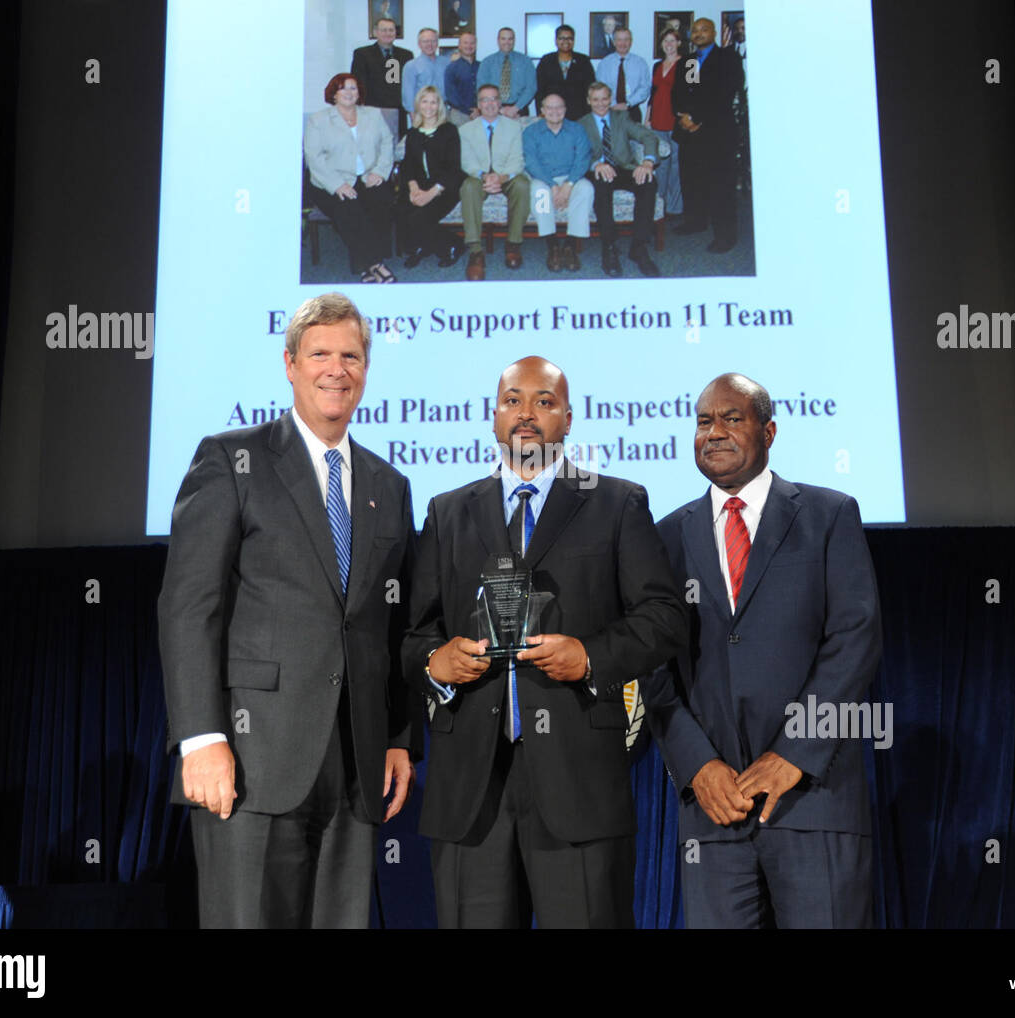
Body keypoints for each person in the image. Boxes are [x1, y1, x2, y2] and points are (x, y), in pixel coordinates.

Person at [159, 293, 420, 928]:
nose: (337, 369)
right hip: (250, 758)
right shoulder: (231, 459)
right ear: (290, 365)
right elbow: (189, 606)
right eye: (320, 354)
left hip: (354, 764)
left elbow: (392, 623)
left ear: (366, 370)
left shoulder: (391, 486)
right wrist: (201, 737)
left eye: (351, 356)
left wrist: (395, 738)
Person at [403, 356, 687, 928]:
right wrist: (436, 660)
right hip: (470, 791)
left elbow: (664, 618)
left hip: (580, 782)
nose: (526, 413)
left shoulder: (617, 503)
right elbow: (414, 634)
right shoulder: (447, 511)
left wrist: (589, 657)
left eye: (544, 401)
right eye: (513, 400)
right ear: (493, 416)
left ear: (569, 418)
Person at [645, 373, 882, 929]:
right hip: (713, 811)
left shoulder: (828, 515)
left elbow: (855, 638)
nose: (715, 432)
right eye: (704, 421)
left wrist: (793, 754)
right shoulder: (664, 537)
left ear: (769, 431)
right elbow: (652, 665)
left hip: (812, 798)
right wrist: (698, 766)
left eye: (732, 418)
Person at [303, 73, 398, 284]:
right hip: (329, 181)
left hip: (368, 175)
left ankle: (362, 266)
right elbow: (314, 158)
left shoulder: (373, 114)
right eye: (343, 88)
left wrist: (380, 172)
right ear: (334, 94)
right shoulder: (318, 120)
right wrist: (337, 185)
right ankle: (375, 264)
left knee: (381, 199)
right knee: (348, 207)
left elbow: (387, 143)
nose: (349, 92)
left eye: (353, 88)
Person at [673, 18, 744, 252]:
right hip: (691, 134)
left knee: (720, 185)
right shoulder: (690, 61)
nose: (699, 34)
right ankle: (696, 222)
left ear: (714, 33)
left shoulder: (727, 58)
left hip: (717, 132)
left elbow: (723, 93)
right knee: (693, 181)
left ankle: (726, 236)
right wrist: (684, 116)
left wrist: (697, 118)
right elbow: (684, 92)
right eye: (695, 30)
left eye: (704, 30)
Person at [580, 82, 661, 278]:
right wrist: (595, 164)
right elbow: (577, 153)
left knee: (648, 182)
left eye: (605, 99)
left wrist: (648, 163)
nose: (600, 104)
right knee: (602, 184)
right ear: (588, 101)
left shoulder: (622, 118)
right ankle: (609, 246)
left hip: (624, 167)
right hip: (598, 170)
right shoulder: (580, 124)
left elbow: (649, 137)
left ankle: (639, 247)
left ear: (610, 99)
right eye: (596, 99)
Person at [457, 84, 530, 280]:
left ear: (500, 102)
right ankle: (475, 251)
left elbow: (517, 159)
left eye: (494, 99)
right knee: (468, 187)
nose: (490, 103)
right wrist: (483, 176)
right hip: (479, 177)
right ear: (478, 104)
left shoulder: (514, 127)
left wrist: (502, 177)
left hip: (506, 176)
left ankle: (513, 244)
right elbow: (466, 161)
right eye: (485, 100)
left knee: (523, 184)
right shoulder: (465, 130)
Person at [522, 94, 594, 272]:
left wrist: (568, 185)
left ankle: (570, 246)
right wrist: (553, 186)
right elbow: (531, 162)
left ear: (565, 109)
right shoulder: (531, 132)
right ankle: (552, 245)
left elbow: (583, 159)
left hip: (571, 177)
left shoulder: (577, 129)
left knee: (586, 189)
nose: (555, 111)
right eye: (550, 107)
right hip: (543, 178)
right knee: (539, 191)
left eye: (559, 107)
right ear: (542, 110)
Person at [400, 86, 466, 268]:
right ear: (418, 105)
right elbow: (408, 164)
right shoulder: (413, 133)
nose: (429, 106)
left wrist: (431, 194)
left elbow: (453, 168)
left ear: (439, 106)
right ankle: (420, 246)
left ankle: (454, 244)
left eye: (433, 102)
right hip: (420, 185)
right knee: (400, 210)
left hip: (445, 187)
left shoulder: (449, 130)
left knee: (419, 217)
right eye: (425, 101)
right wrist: (414, 188)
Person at [351, 17, 413, 139]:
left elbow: (407, 85)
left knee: (396, 150)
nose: (388, 33)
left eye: (391, 30)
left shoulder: (406, 55)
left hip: (397, 113)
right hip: (372, 111)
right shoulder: (362, 54)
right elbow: (358, 84)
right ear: (376, 32)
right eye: (384, 30)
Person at [648, 28, 684, 216]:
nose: (669, 44)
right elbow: (652, 94)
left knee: (677, 165)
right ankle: (659, 205)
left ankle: (675, 208)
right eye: (665, 41)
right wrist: (647, 117)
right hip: (657, 119)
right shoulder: (656, 65)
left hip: (677, 121)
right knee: (660, 164)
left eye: (672, 41)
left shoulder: (690, 63)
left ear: (679, 43)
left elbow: (694, 91)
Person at [534, 24, 595, 120]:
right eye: (562, 38)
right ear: (556, 40)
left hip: (579, 113)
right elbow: (539, 89)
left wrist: (589, 113)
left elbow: (590, 89)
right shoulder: (546, 60)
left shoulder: (583, 61)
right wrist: (541, 112)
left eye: (569, 38)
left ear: (573, 41)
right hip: (552, 113)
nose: (566, 41)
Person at [476, 27, 535, 119]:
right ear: (498, 40)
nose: (507, 42)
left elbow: (531, 88)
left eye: (510, 39)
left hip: (519, 110)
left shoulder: (525, 61)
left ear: (514, 40)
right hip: (493, 109)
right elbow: (481, 88)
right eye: (503, 39)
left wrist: (515, 108)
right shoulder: (487, 62)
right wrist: (500, 109)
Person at [596, 27, 650, 124]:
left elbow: (645, 88)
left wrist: (628, 104)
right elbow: (600, 88)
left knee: (634, 139)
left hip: (632, 110)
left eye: (626, 39)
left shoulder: (640, 63)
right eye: (619, 40)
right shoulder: (604, 63)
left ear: (631, 42)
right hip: (609, 110)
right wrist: (613, 105)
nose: (623, 43)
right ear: (614, 42)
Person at [401, 27, 449, 124]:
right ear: (419, 44)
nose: (429, 44)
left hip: (443, 111)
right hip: (422, 112)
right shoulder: (411, 66)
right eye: (425, 41)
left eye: (433, 41)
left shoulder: (446, 63)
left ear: (437, 43)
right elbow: (408, 94)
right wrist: (413, 116)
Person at [444, 31, 480, 126]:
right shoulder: (451, 68)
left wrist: (479, 109)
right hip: (459, 114)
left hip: (480, 114)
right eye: (465, 43)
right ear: (459, 46)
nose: (469, 46)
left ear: (476, 45)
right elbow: (451, 95)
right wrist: (469, 111)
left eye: (472, 43)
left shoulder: (482, 66)